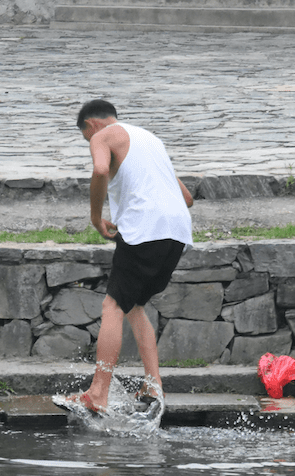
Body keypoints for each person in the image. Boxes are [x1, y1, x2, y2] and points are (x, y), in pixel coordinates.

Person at [64, 99, 195, 415]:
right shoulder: (150, 140)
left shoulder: (103, 135)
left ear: (92, 124)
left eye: (86, 138)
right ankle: (154, 385)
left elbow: (99, 169)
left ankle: (98, 393)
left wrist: (97, 217)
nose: (90, 144)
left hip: (145, 230)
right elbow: (187, 198)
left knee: (112, 306)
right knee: (134, 306)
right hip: (177, 233)